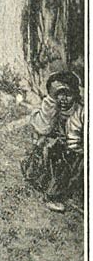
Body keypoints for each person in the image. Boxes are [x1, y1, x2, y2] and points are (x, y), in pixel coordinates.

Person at [21, 71, 84, 213]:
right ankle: (52, 195)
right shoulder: (49, 109)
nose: (63, 99)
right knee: (52, 151)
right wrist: (50, 103)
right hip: (53, 155)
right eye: (57, 94)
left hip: (76, 153)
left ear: (75, 94)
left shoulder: (81, 112)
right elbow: (43, 128)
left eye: (67, 94)